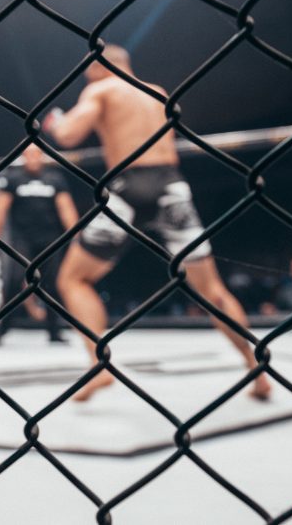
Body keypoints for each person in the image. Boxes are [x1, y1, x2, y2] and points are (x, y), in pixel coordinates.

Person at [44, 44, 271, 401]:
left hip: (128, 189)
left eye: (89, 71)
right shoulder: (157, 94)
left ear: (102, 66)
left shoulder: (101, 88)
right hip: (171, 187)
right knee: (212, 291)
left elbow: (70, 136)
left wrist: (56, 122)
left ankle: (97, 367)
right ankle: (256, 369)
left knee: (73, 279)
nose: (87, 77)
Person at [0, 143, 79, 344]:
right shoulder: (13, 179)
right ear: (23, 156)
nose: (33, 157)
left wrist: (76, 236)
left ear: (41, 156)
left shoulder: (55, 179)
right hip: (22, 240)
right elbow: (0, 208)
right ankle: (2, 330)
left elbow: (66, 208)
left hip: (50, 240)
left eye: (36, 153)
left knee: (52, 286)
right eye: (29, 154)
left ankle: (54, 331)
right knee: (13, 282)